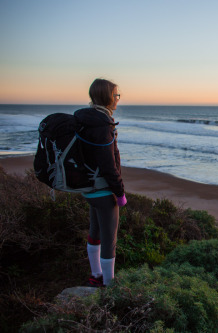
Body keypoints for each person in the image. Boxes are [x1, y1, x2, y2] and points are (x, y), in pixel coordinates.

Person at [74, 78, 127, 287]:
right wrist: (120, 193)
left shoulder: (83, 119)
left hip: (88, 188)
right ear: (107, 97)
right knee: (109, 240)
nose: (117, 99)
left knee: (94, 232)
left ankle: (95, 274)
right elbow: (108, 165)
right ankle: (108, 283)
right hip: (104, 191)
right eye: (116, 95)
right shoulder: (103, 125)